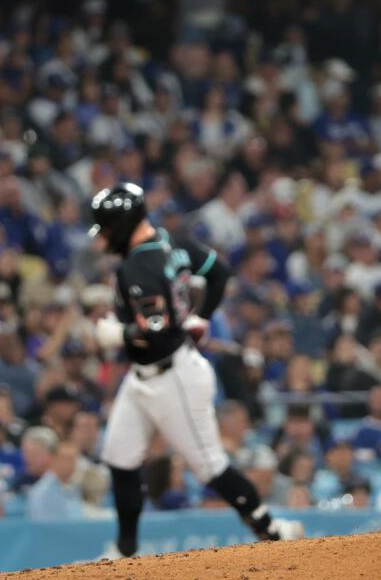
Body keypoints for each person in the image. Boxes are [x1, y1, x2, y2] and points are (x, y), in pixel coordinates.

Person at [88, 183, 302, 561]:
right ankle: (125, 553)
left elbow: (158, 330)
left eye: (105, 229)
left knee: (210, 467)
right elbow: (219, 272)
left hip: (174, 377)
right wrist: (201, 317)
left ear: (120, 226)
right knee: (120, 457)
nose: (102, 239)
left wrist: (116, 333)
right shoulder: (173, 242)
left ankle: (272, 529)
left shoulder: (138, 265)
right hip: (145, 377)